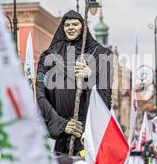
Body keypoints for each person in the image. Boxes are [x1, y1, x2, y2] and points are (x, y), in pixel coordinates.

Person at [36, 10, 113, 155]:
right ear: (62, 28)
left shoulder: (101, 54)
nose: (71, 27)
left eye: (75, 24)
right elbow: (40, 94)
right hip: (61, 133)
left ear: (83, 27)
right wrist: (61, 124)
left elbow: (106, 97)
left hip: (87, 134)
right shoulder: (49, 55)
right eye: (67, 24)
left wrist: (91, 77)